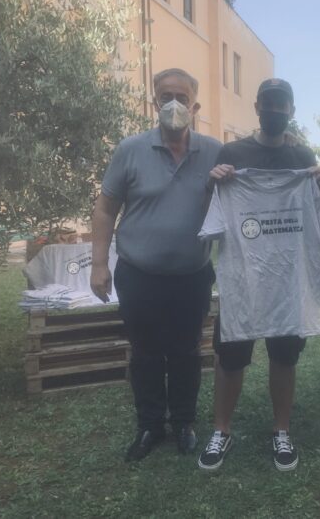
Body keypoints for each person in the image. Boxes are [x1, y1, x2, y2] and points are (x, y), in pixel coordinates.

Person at [198, 78, 320, 472]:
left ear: (291, 109)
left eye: (281, 104)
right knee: (230, 357)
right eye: (268, 103)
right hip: (243, 279)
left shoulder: (302, 156)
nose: (274, 110)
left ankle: (282, 430)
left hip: (288, 281)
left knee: (285, 357)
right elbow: (210, 215)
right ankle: (221, 430)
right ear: (257, 107)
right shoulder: (233, 153)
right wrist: (213, 183)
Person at [90, 68, 221, 462]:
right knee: (145, 352)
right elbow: (105, 208)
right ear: (154, 102)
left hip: (191, 275)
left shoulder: (214, 152)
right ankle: (149, 425)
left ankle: (183, 422)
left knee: (186, 352)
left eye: (182, 97)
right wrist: (99, 264)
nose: (173, 104)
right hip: (139, 274)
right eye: (166, 97)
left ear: (195, 106)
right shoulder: (130, 149)